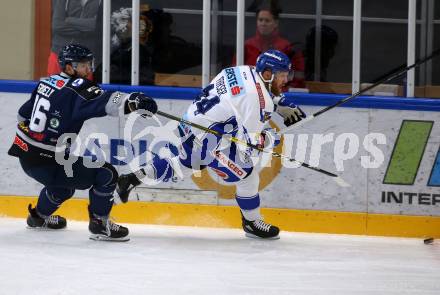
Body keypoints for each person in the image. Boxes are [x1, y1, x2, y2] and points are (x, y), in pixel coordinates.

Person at [116, 49, 306, 239]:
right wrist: (273, 138)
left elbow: (249, 92)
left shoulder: (243, 70)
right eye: (282, 75)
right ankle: (251, 222)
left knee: (185, 164)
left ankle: (132, 178)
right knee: (247, 177)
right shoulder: (257, 102)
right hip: (208, 140)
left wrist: (280, 102)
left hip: (191, 122)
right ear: (268, 74)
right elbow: (248, 145)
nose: (286, 80)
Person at [7, 44, 158, 241]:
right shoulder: (78, 88)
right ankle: (100, 225)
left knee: (63, 184)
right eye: (83, 65)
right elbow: (107, 100)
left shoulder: (46, 82)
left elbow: (22, 115)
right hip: (48, 160)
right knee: (107, 173)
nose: (89, 69)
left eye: (89, 64)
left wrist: (39, 137)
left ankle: (39, 217)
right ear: (69, 67)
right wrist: (134, 101)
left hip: (26, 156)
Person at [234, 7, 305, 89]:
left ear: (276, 23)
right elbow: (235, 72)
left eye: (267, 20)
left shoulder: (287, 47)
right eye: (260, 20)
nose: (263, 23)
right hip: (251, 94)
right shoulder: (247, 45)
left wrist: (280, 93)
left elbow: (298, 78)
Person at [48, 0, 102, 78]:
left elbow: (98, 26)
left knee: (84, 89)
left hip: (86, 59)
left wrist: (69, 20)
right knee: (56, 88)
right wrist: (86, 29)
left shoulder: (104, 2)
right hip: (59, 54)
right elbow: (57, 26)